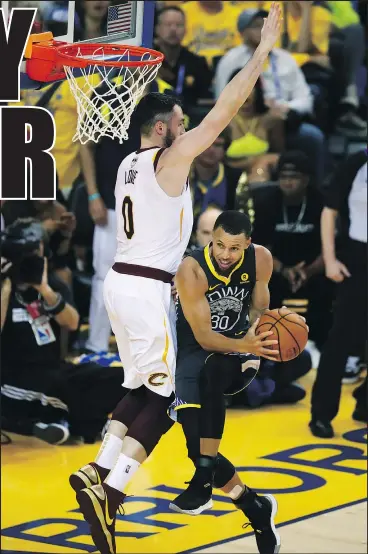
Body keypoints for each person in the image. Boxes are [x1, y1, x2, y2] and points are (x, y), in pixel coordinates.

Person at [68, 5, 282, 554]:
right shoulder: (168, 159)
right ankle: (110, 491)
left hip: (119, 283)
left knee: (140, 387)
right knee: (167, 401)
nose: (190, 131)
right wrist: (260, 55)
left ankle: (99, 469)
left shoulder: (126, 165)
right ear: (162, 128)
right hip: (146, 289)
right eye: (182, 123)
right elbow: (224, 114)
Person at [169, 210, 281, 553]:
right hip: (194, 351)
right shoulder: (192, 269)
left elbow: (260, 309)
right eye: (219, 245)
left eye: (234, 248)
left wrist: (254, 334)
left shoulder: (260, 258)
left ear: (247, 244)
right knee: (195, 445)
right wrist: (244, 343)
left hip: (235, 355)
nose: (225, 254)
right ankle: (255, 507)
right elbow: (203, 337)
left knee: (216, 371)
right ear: (210, 240)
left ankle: (203, 480)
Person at [0, 219, 125, 445]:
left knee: (119, 378)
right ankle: (92, 427)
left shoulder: (51, 285)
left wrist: (45, 290)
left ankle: (62, 422)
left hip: (55, 367)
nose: (32, 260)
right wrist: (5, 286)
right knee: (65, 391)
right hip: (14, 378)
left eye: (37, 253)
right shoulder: (3, 287)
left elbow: (72, 322)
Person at [215, 7, 326, 187]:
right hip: (243, 117)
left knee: (313, 136)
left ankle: (315, 190)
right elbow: (221, 97)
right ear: (243, 32)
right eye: (256, 26)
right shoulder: (231, 60)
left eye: (266, 25)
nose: (262, 30)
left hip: (284, 118)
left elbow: (305, 98)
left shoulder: (285, 59)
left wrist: (286, 108)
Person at [310, 150, 367, 438]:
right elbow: (329, 211)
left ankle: (365, 402)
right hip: (358, 257)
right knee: (341, 337)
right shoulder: (356, 163)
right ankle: (321, 413)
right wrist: (330, 259)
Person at [251, 151, 334, 351]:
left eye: (294, 177)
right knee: (262, 285)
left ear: (306, 179)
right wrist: (284, 270)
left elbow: (329, 247)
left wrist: (308, 271)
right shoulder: (267, 203)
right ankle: (270, 340)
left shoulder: (321, 203)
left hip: (314, 267)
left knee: (327, 287)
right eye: (283, 177)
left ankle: (318, 343)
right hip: (277, 266)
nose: (288, 182)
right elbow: (260, 249)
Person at [154, 5, 213, 109]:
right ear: (157, 29)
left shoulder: (198, 63)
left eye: (179, 25)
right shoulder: (147, 61)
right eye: (168, 24)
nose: (173, 29)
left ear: (186, 30)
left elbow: (206, 100)